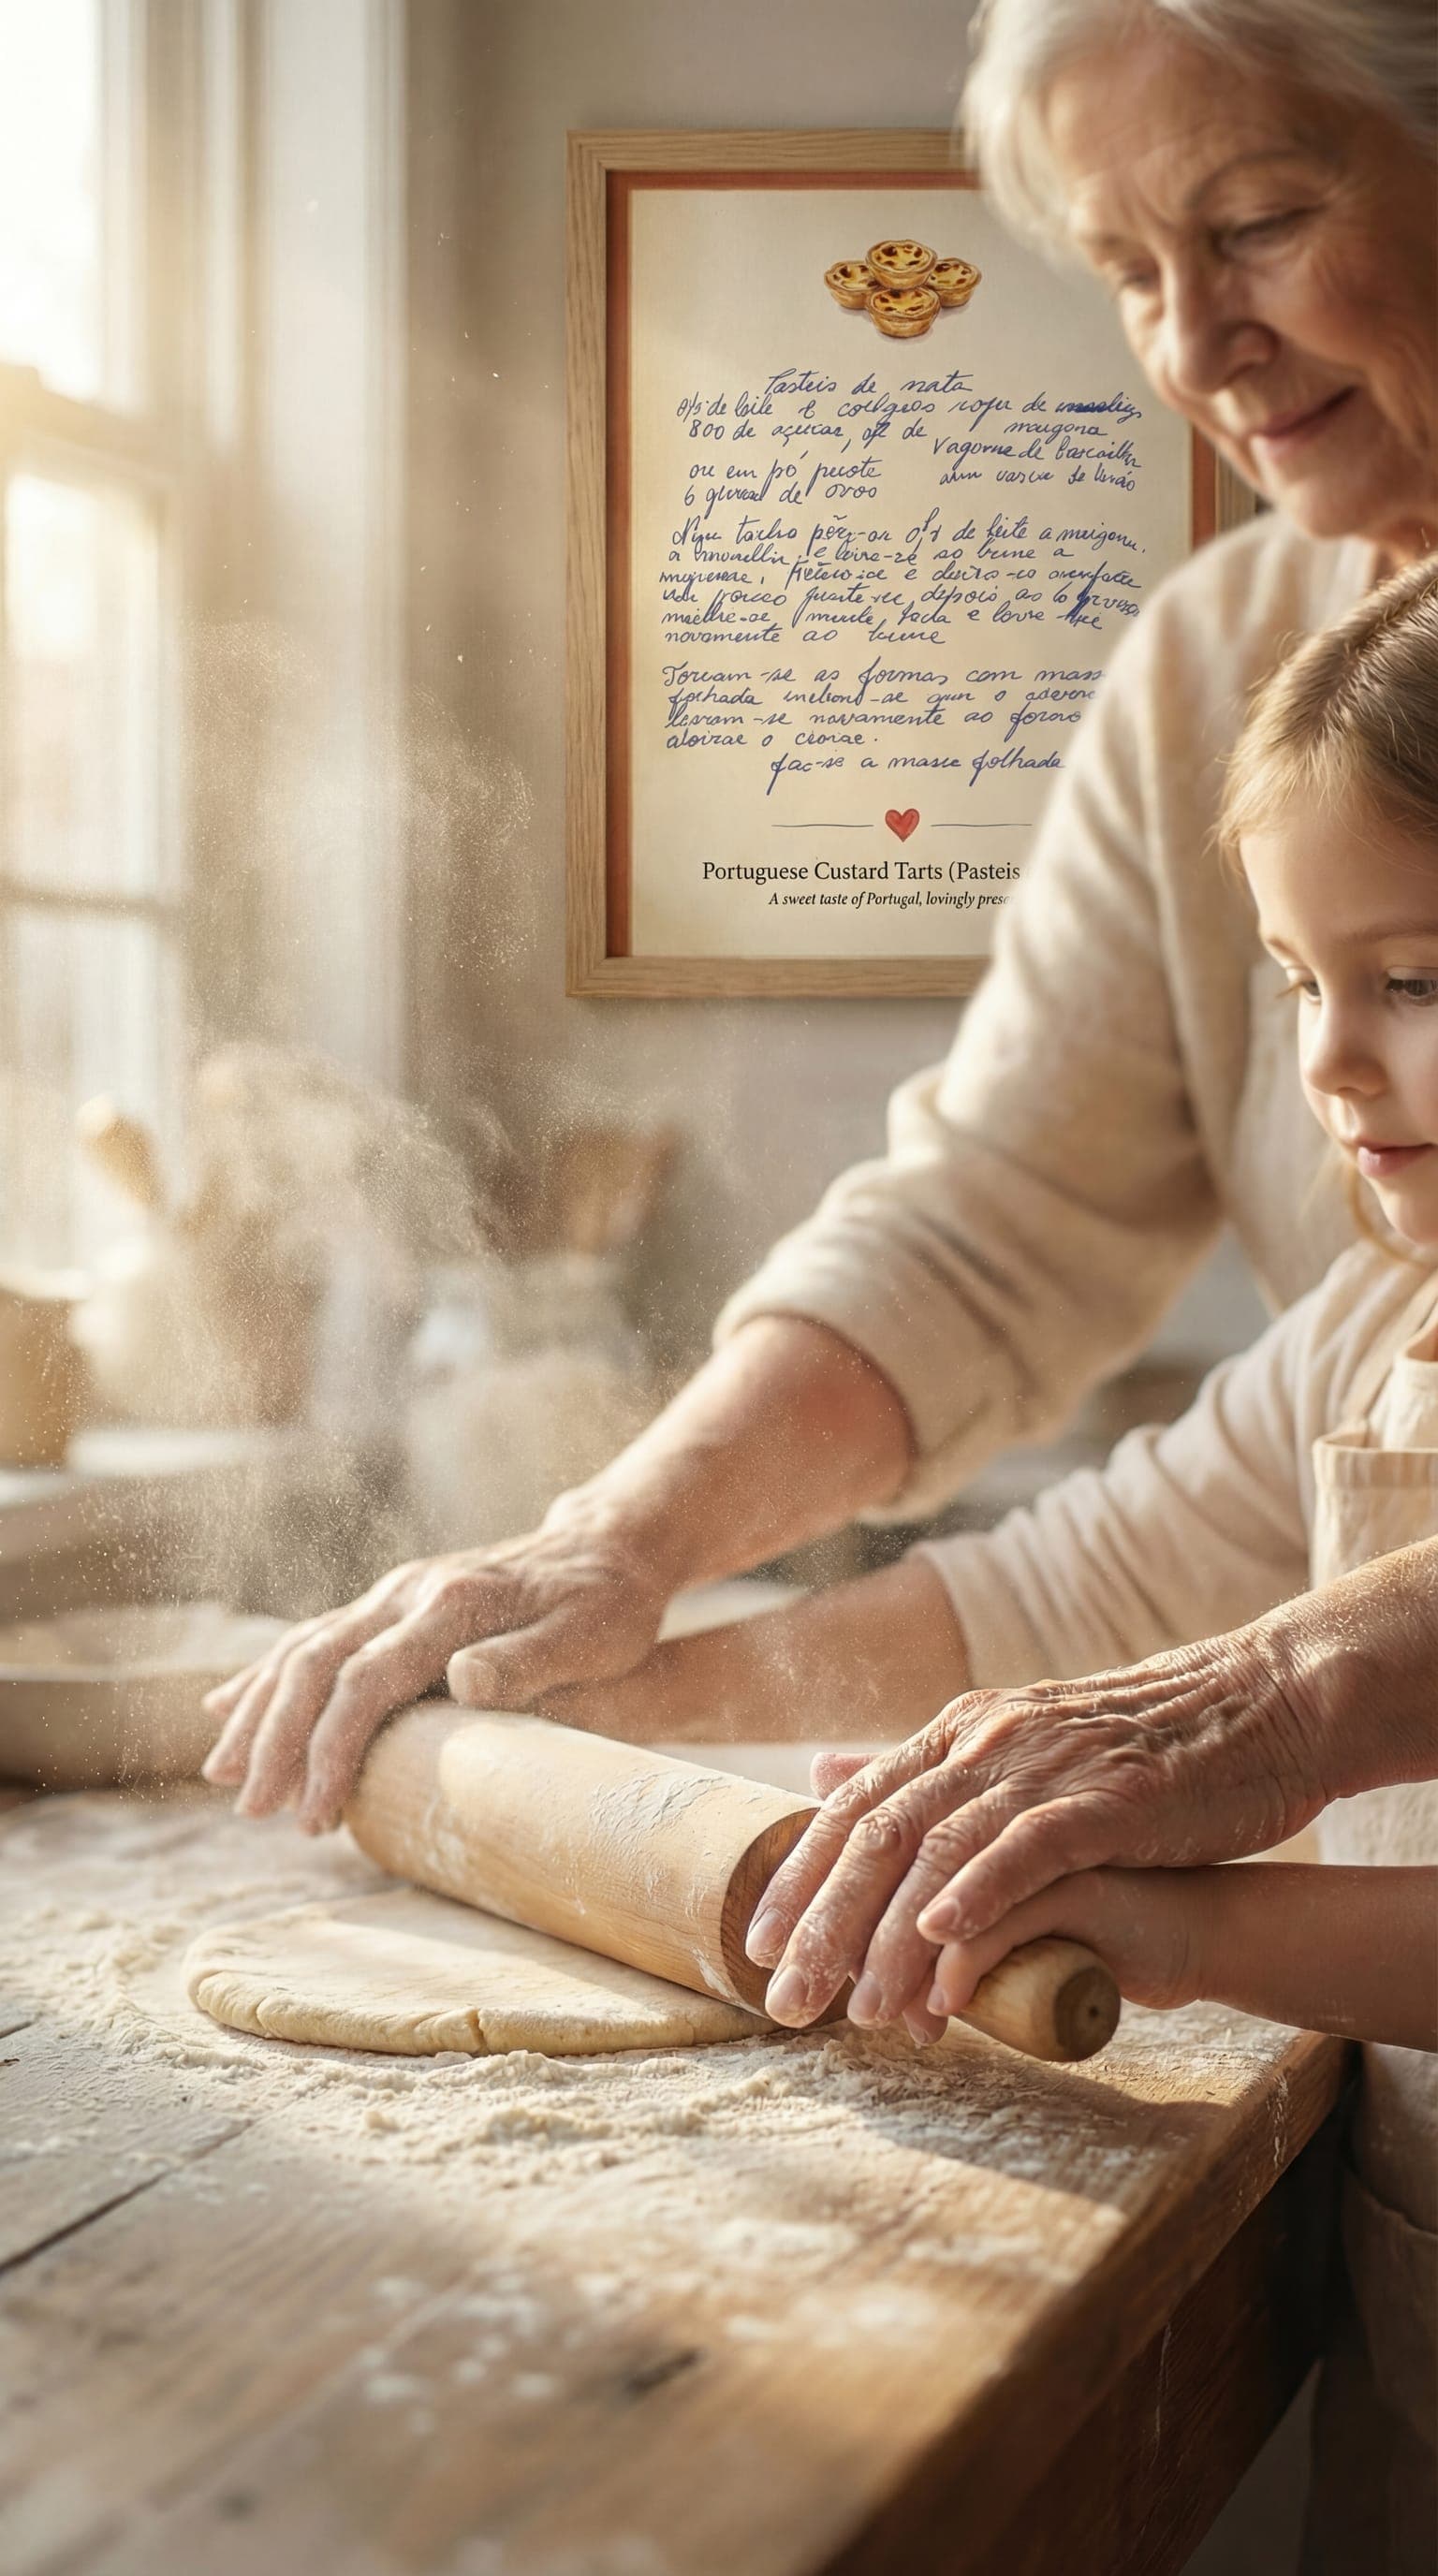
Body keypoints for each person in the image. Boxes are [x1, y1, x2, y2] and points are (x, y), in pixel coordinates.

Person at [203, 0, 1438, 1877]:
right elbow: (994, 1245)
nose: (1193, 344)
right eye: (1125, 270)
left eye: (1259, 223)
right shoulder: (1218, 667)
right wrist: (603, 1574)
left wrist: (1267, 1713)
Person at [748, 559, 1438, 2574]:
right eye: (1300, 982)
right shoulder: (1369, 1332)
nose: (1327, 1062)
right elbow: (1064, 1589)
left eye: (1416, 977)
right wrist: (592, 1675)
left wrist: (1179, 1925)